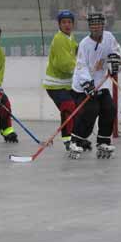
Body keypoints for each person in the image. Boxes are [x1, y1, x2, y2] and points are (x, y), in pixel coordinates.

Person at [68, 12, 121, 159]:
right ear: (90, 26)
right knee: (91, 110)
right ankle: (76, 140)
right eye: (93, 24)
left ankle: (103, 141)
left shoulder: (109, 37)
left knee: (109, 108)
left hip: (101, 83)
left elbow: (117, 52)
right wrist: (87, 83)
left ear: (103, 24)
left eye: (99, 23)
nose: (96, 27)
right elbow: (81, 66)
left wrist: (116, 61)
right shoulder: (84, 44)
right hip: (83, 86)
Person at [43, 10, 78, 151]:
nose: (67, 25)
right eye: (64, 22)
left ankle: (76, 139)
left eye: (69, 22)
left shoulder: (70, 37)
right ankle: (68, 140)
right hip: (55, 85)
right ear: (59, 24)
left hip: (67, 84)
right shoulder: (59, 39)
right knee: (68, 106)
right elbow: (64, 64)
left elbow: (76, 52)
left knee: (78, 109)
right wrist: (81, 71)